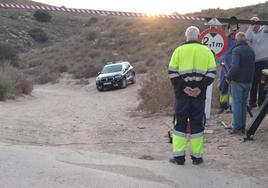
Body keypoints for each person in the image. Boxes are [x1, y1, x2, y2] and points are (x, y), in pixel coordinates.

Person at [168, 26, 216, 165]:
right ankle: (197, 158)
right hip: (199, 96)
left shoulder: (178, 50)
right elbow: (212, 72)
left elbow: (172, 72)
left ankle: (179, 158)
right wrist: (199, 88)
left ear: (186, 36)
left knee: (179, 124)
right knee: (197, 124)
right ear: (199, 36)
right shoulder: (207, 51)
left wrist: (184, 88)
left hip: (182, 95)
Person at [226, 32, 255, 134]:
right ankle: (242, 126)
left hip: (238, 81)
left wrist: (228, 76)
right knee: (243, 104)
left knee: (237, 104)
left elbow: (235, 67)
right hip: (248, 81)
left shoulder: (236, 50)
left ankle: (237, 127)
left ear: (236, 40)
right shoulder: (251, 50)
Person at [217, 17, 240, 113]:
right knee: (223, 86)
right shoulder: (225, 39)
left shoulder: (240, 40)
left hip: (235, 67)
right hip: (225, 66)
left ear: (238, 28)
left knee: (234, 87)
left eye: (235, 28)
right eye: (231, 28)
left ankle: (232, 107)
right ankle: (222, 106)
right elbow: (219, 46)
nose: (233, 30)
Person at [246, 16, 268, 108]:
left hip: (265, 61)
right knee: (253, 83)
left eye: (255, 23)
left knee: (263, 83)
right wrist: (250, 26)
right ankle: (252, 102)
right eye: (252, 23)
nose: (254, 24)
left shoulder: (265, 30)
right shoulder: (250, 32)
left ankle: (261, 103)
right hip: (254, 62)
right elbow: (246, 37)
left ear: (259, 23)